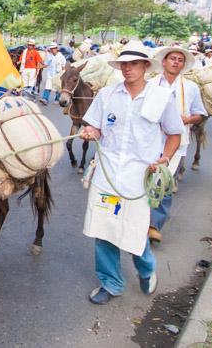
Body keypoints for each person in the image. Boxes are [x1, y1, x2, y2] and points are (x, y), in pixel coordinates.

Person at [79, 40, 183, 305]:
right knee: (104, 231)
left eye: (134, 63)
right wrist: (91, 132)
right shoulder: (107, 95)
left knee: (135, 231)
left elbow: (174, 134)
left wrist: (165, 158)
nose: (128, 68)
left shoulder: (161, 98)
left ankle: (146, 269)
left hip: (140, 177)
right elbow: (97, 127)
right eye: (124, 64)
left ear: (146, 66)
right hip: (107, 173)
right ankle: (111, 283)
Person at [147, 47, 208, 242]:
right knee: (145, 180)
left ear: (183, 65)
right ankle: (139, 218)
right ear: (163, 62)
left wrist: (187, 119)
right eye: (172, 58)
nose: (175, 62)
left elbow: (200, 114)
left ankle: (154, 224)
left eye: (180, 60)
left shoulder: (190, 88)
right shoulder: (150, 84)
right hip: (149, 140)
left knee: (164, 182)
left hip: (176, 143)